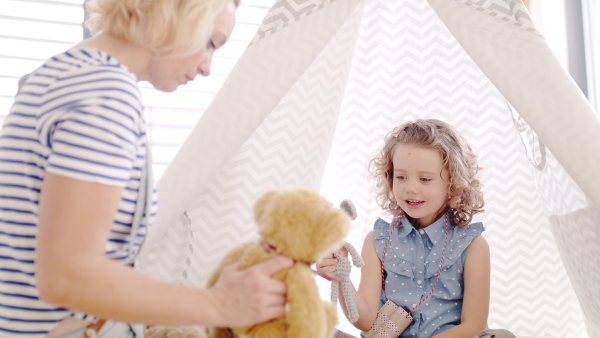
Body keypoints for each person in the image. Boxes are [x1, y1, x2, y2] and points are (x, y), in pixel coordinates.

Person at [0, 0, 293, 336]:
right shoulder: (106, 95)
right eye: (211, 42)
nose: (207, 68)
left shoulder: (60, 73)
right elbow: (67, 277)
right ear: (179, 12)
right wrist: (219, 304)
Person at [317, 119, 490, 337]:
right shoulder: (378, 240)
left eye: (425, 179)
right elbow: (366, 319)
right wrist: (341, 277)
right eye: (400, 177)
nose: (411, 188)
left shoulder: (472, 246)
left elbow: (473, 325)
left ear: (453, 183)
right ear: (389, 177)